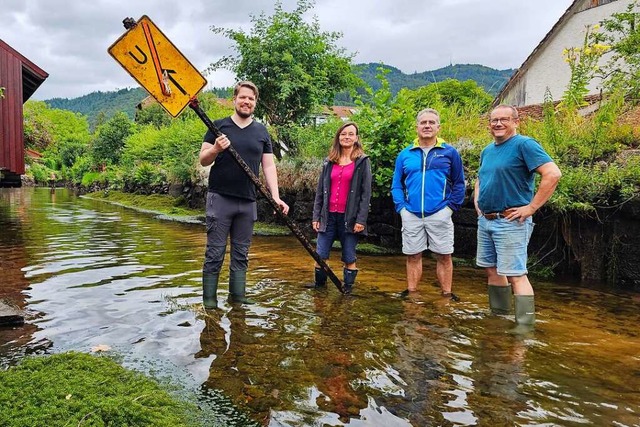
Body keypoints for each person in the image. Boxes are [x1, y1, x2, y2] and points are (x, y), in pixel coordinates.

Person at [199, 81, 289, 309]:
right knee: (215, 253)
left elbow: (268, 166)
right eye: (243, 97)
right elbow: (203, 159)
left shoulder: (261, 131)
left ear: (255, 103)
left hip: (248, 202)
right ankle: (209, 302)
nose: (246, 101)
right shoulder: (218, 127)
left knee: (241, 253)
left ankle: (236, 297)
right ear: (235, 99)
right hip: (220, 198)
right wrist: (216, 149)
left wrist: (275, 196)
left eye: (251, 99)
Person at [474, 104, 561, 330]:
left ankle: (524, 327)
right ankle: (499, 318)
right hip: (486, 220)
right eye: (494, 120)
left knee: (516, 275)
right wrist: (478, 203)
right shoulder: (487, 150)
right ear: (489, 124)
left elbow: (552, 173)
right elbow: (481, 178)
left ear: (515, 122)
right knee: (491, 270)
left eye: (504, 119)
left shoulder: (524, 144)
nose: (498, 124)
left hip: (511, 221)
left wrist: (531, 208)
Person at [391, 108, 466, 300]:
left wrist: (449, 209)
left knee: (444, 255)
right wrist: (402, 209)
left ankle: (446, 295)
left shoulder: (449, 153)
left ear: (438, 127)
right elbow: (396, 185)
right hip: (412, 214)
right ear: (416, 127)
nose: (427, 126)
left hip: (440, 213)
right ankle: (412, 294)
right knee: (413, 255)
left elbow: (459, 183)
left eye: (431, 122)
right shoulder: (405, 154)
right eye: (423, 123)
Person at [309, 122, 372, 294]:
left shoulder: (362, 162)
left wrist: (361, 220)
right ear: (338, 137)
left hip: (349, 218)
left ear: (356, 138)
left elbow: (366, 194)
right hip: (327, 216)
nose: (347, 137)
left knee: (349, 256)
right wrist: (316, 216)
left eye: (351, 134)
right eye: (343, 134)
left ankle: (348, 290)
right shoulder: (329, 162)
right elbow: (320, 191)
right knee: (320, 255)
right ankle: (319, 289)